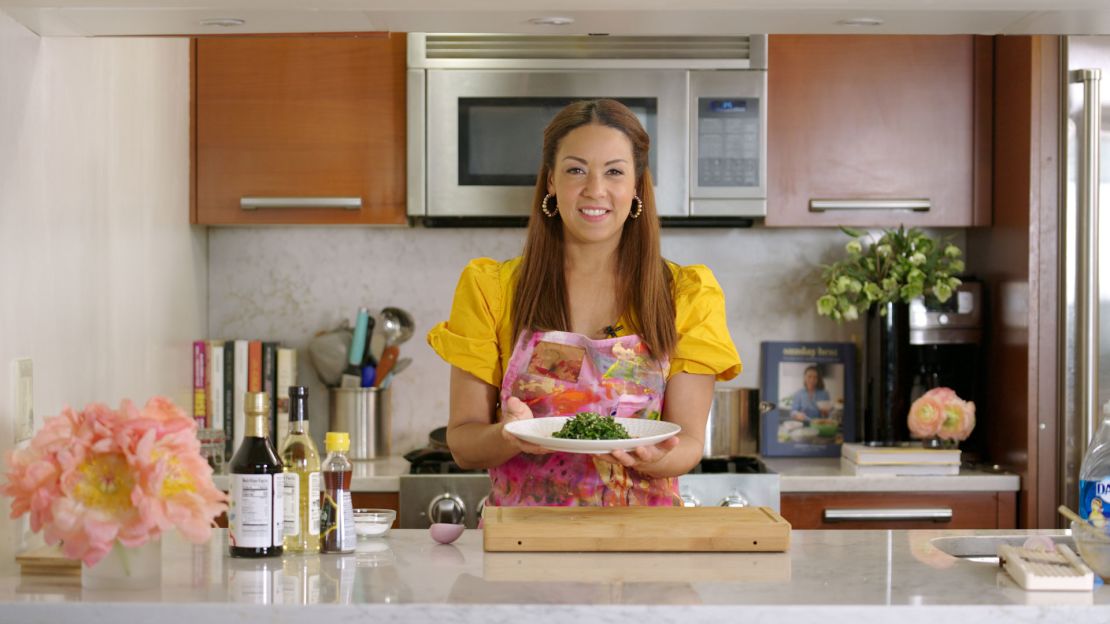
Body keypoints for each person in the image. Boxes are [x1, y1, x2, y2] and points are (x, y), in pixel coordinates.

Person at [427, 99, 741, 507]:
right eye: (576, 170)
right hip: (523, 550)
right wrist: (507, 435)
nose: (595, 189)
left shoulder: (687, 294)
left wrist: (654, 457)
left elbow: (689, 442)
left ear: (637, 186)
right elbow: (465, 443)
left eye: (614, 172)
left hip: (644, 549)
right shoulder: (492, 289)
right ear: (551, 182)